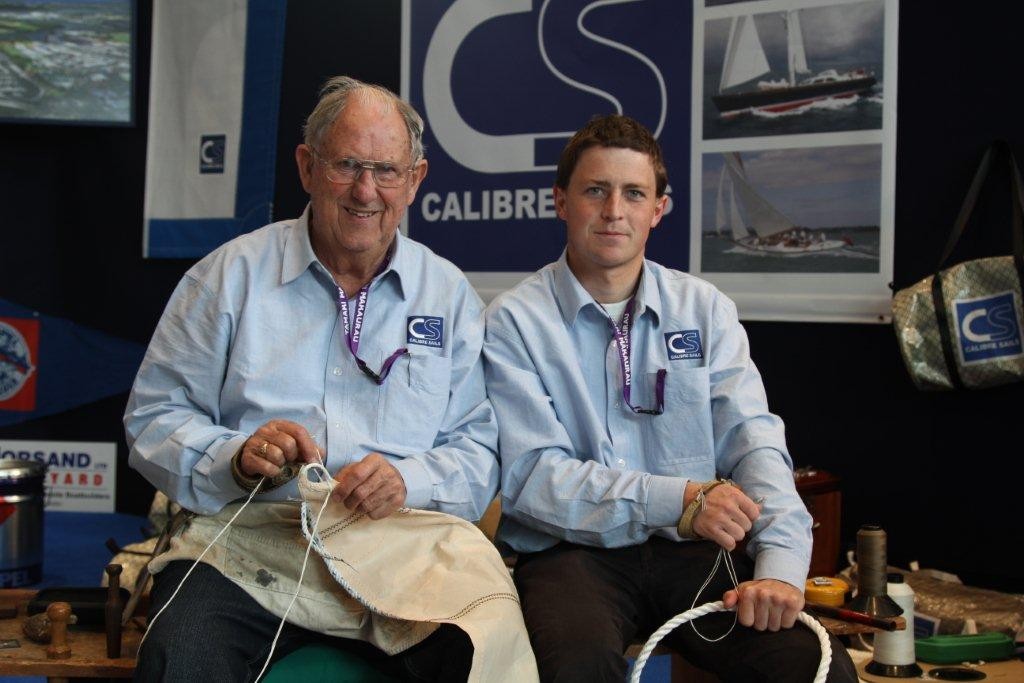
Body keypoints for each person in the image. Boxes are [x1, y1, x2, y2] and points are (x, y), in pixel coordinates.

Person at [125, 76, 504, 682]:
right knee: (182, 654)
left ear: (415, 180)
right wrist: (236, 458)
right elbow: (153, 418)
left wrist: (408, 479)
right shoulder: (228, 277)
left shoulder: (447, 294)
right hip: (248, 545)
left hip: (403, 548)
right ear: (306, 167)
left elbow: (480, 446)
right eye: (346, 165)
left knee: (487, 658)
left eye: (385, 170)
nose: (365, 190)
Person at [483, 114, 859, 682]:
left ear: (658, 209)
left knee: (814, 668)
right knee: (575, 669)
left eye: (634, 193)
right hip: (572, 557)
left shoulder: (704, 310)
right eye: (595, 191)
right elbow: (534, 478)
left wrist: (781, 568)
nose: (614, 211)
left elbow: (755, 445)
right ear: (560, 201)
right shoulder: (513, 322)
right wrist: (680, 500)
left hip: (694, 559)